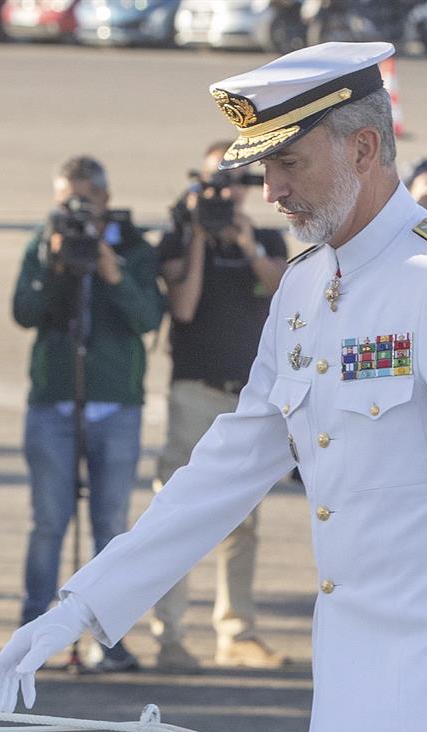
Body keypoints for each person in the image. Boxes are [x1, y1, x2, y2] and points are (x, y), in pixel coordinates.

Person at [0, 43, 427, 732]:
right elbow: (223, 471)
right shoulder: (304, 287)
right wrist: (83, 606)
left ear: (363, 148)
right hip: (344, 699)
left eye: (290, 163)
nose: (269, 191)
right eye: (262, 168)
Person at [11, 155, 165, 674]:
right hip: (54, 400)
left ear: (104, 198)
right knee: (49, 522)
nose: (73, 210)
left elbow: (147, 317)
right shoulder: (45, 241)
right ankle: (33, 629)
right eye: (64, 202)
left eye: (82, 200)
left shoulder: (134, 246)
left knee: (110, 527)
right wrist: (56, 266)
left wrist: (110, 269)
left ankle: (109, 637)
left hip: (115, 404)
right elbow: (24, 312)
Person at [152, 142, 289, 671]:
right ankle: (169, 635)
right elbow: (183, 307)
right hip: (195, 389)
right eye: (216, 183)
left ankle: (237, 632)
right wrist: (199, 240)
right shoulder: (180, 239)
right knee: (177, 513)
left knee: (244, 522)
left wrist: (247, 244)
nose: (226, 193)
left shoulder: (267, 236)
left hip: (247, 396)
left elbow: (282, 292)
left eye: (236, 183)